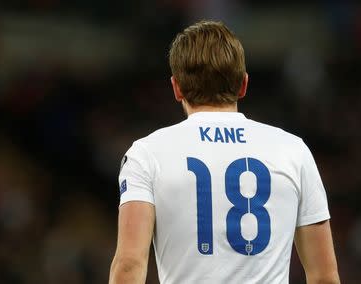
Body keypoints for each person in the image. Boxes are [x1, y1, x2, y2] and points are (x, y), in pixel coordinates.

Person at [109, 20, 340, 284]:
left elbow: (129, 264)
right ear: (243, 85)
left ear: (176, 88)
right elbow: (324, 276)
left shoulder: (147, 154)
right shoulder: (293, 150)